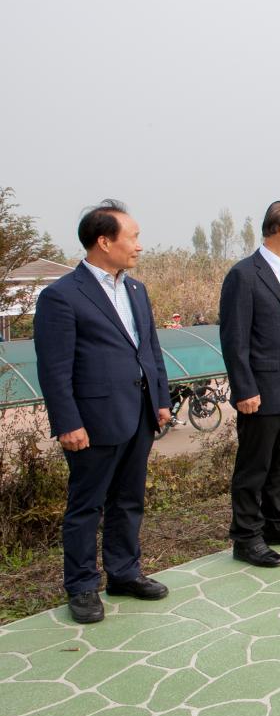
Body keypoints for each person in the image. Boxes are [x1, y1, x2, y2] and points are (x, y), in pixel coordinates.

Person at [34, 200, 173, 623]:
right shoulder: (61, 296)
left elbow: (149, 348)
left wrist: (162, 400)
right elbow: (54, 369)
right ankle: (81, 586)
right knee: (86, 506)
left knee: (129, 500)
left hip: (139, 413)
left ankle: (124, 572)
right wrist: (68, 422)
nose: (139, 246)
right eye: (132, 238)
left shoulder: (135, 289)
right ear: (103, 241)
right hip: (93, 422)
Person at [219, 201, 280, 568]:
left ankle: (277, 523)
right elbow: (234, 338)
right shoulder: (244, 275)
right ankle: (246, 536)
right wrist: (244, 389)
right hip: (259, 391)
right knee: (254, 466)